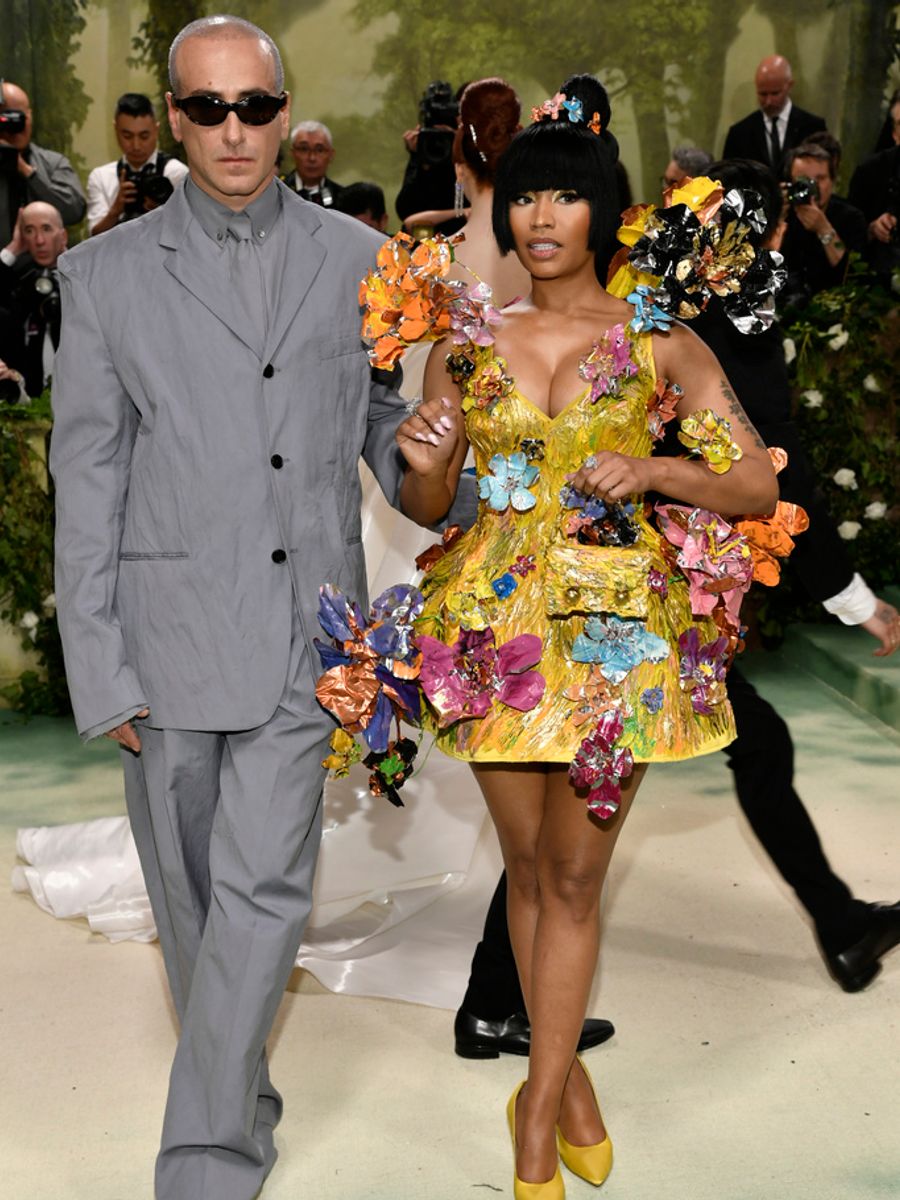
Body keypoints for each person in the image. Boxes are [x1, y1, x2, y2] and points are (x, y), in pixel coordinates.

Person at [49, 15, 414, 1200]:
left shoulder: (361, 263)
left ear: (285, 107)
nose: (233, 131)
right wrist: (96, 662)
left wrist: (442, 460)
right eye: (205, 109)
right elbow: (88, 473)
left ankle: (203, 1157)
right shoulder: (101, 277)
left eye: (254, 106)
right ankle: (242, 1091)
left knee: (264, 892)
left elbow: (384, 446)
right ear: (171, 117)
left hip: (309, 639)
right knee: (196, 909)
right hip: (164, 640)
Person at [392, 88, 777, 1196]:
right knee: (526, 866)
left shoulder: (658, 342)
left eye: (566, 194)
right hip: (492, 634)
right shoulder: (463, 346)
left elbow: (751, 481)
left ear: (602, 212)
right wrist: (423, 464)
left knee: (572, 878)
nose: (542, 215)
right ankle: (561, 1086)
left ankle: (529, 1131)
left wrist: (656, 469)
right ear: (504, 213)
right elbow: (428, 507)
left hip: (617, 641)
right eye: (524, 196)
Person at [86, 92, 189, 235]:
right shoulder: (101, 178)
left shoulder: (176, 174)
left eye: (144, 136)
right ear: (115, 130)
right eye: (127, 136)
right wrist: (115, 211)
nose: (136, 145)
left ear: (156, 130)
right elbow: (93, 240)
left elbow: (190, 234)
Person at [0, 78, 86, 245]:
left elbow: (74, 212)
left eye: (19, 117)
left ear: (30, 117)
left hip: (43, 267)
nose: (15, 127)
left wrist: (27, 171)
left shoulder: (53, 163)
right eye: (7, 118)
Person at [780, 141, 866, 300]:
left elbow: (852, 274)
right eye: (804, 180)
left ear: (832, 181)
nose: (813, 187)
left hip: (831, 304)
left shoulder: (851, 218)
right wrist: (776, 220)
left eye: (820, 179)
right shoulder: (783, 214)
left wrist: (824, 229)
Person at [0, 200, 66, 399]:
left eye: (46, 229)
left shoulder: (86, 275)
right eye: (29, 231)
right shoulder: (18, 281)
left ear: (63, 236)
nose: (38, 240)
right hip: (27, 394)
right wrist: (13, 249)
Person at [722, 55, 826, 171]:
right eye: (763, 94)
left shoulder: (813, 128)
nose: (769, 101)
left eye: (775, 93)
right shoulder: (739, 134)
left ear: (789, 86)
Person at [281, 119, 344, 206]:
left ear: (331, 155)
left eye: (320, 150)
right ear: (292, 153)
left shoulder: (342, 197)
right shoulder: (277, 191)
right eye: (304, 149)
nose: (312, 158)